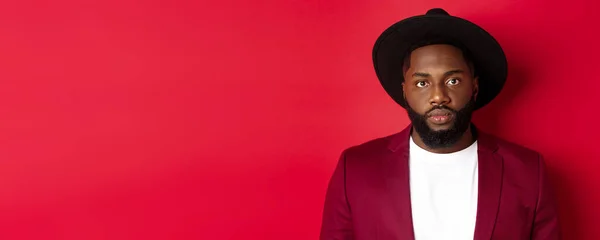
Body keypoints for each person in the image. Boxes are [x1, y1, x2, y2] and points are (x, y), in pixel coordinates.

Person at [319, 8, 560, 240]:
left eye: (453, 80)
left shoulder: (529, 172)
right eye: (422, 83)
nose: (438, 96)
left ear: (474, 87)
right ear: (405, 92)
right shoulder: (356, 169)